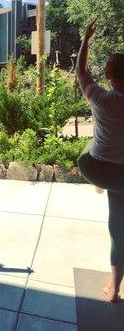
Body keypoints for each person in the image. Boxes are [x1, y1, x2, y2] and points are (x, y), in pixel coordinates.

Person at [76, 19, 124, 304]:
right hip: (122, 176)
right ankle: (114, 290)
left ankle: (99, 183)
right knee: (118, 229)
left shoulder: (100, 98)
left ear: (107, 75)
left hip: (99, 170)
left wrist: (86, 39)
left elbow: (81, 71)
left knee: (87, 150)